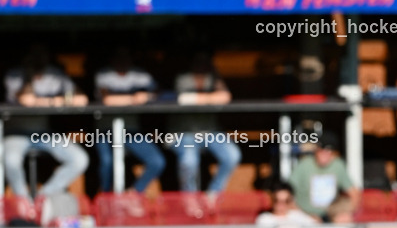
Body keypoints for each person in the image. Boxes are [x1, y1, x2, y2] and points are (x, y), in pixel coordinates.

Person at [3, 46, 90, 200]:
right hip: (16, 133)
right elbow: (26, 100)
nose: (38, 60)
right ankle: (23, 201)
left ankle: (42, 198)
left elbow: (81, 99)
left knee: (79, 159)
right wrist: (29, 75)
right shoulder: (16, 74)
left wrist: (46, 101)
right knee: (10, 160)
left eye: (42, 55)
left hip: (43, 134)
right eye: (34, 55)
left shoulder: (54, 74)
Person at [168, 52, 241, 198]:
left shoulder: (212, 79)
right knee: (189, 161)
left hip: (209, 132)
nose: (202, 66)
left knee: (233, 155)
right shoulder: (183, 79)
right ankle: (190, 200)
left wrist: (215, 79)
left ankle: (212, 196)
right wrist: (211, 98)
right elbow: (184, 98)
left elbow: (225, 97)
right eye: (199, 62)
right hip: (182, 133)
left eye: (206, 62)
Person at [94, 47, 166, 194]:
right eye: (119, 57)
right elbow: (107, 98)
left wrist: (147, 96)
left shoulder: (139, 74)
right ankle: (105, 195)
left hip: (131, 131)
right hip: (105, 130)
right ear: (112, 59)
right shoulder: (104, 75)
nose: (123, 61)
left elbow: (159, 93)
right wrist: (135, 98)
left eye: (126, 57)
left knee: (157, 161)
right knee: (107, 163)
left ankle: (134, 194)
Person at [288, 131, 356, 223]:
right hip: (305, 217)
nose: (325, 153)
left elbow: (354, 193)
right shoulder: (304, 165)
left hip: (330, 218)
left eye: (329, 151)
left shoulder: (338, 166)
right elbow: (287, 193)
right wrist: (305, 215)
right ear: (316, 149)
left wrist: (345, 212)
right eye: (322, 149)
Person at [255, 181, 320, 228]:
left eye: (286, 201)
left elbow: (318, 224)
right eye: (277, 200)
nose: (281, 205)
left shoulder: (297, 215)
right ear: (271, 199)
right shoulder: (264, 219)